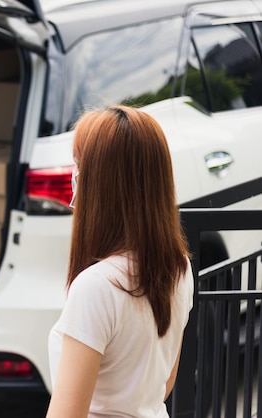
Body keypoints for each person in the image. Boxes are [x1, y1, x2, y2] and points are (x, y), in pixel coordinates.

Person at [46, 105, 194, 418]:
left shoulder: (97, 286)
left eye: (78, 167)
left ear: (99, 185)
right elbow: (164, 383)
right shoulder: (179, 266)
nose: (73, 179)